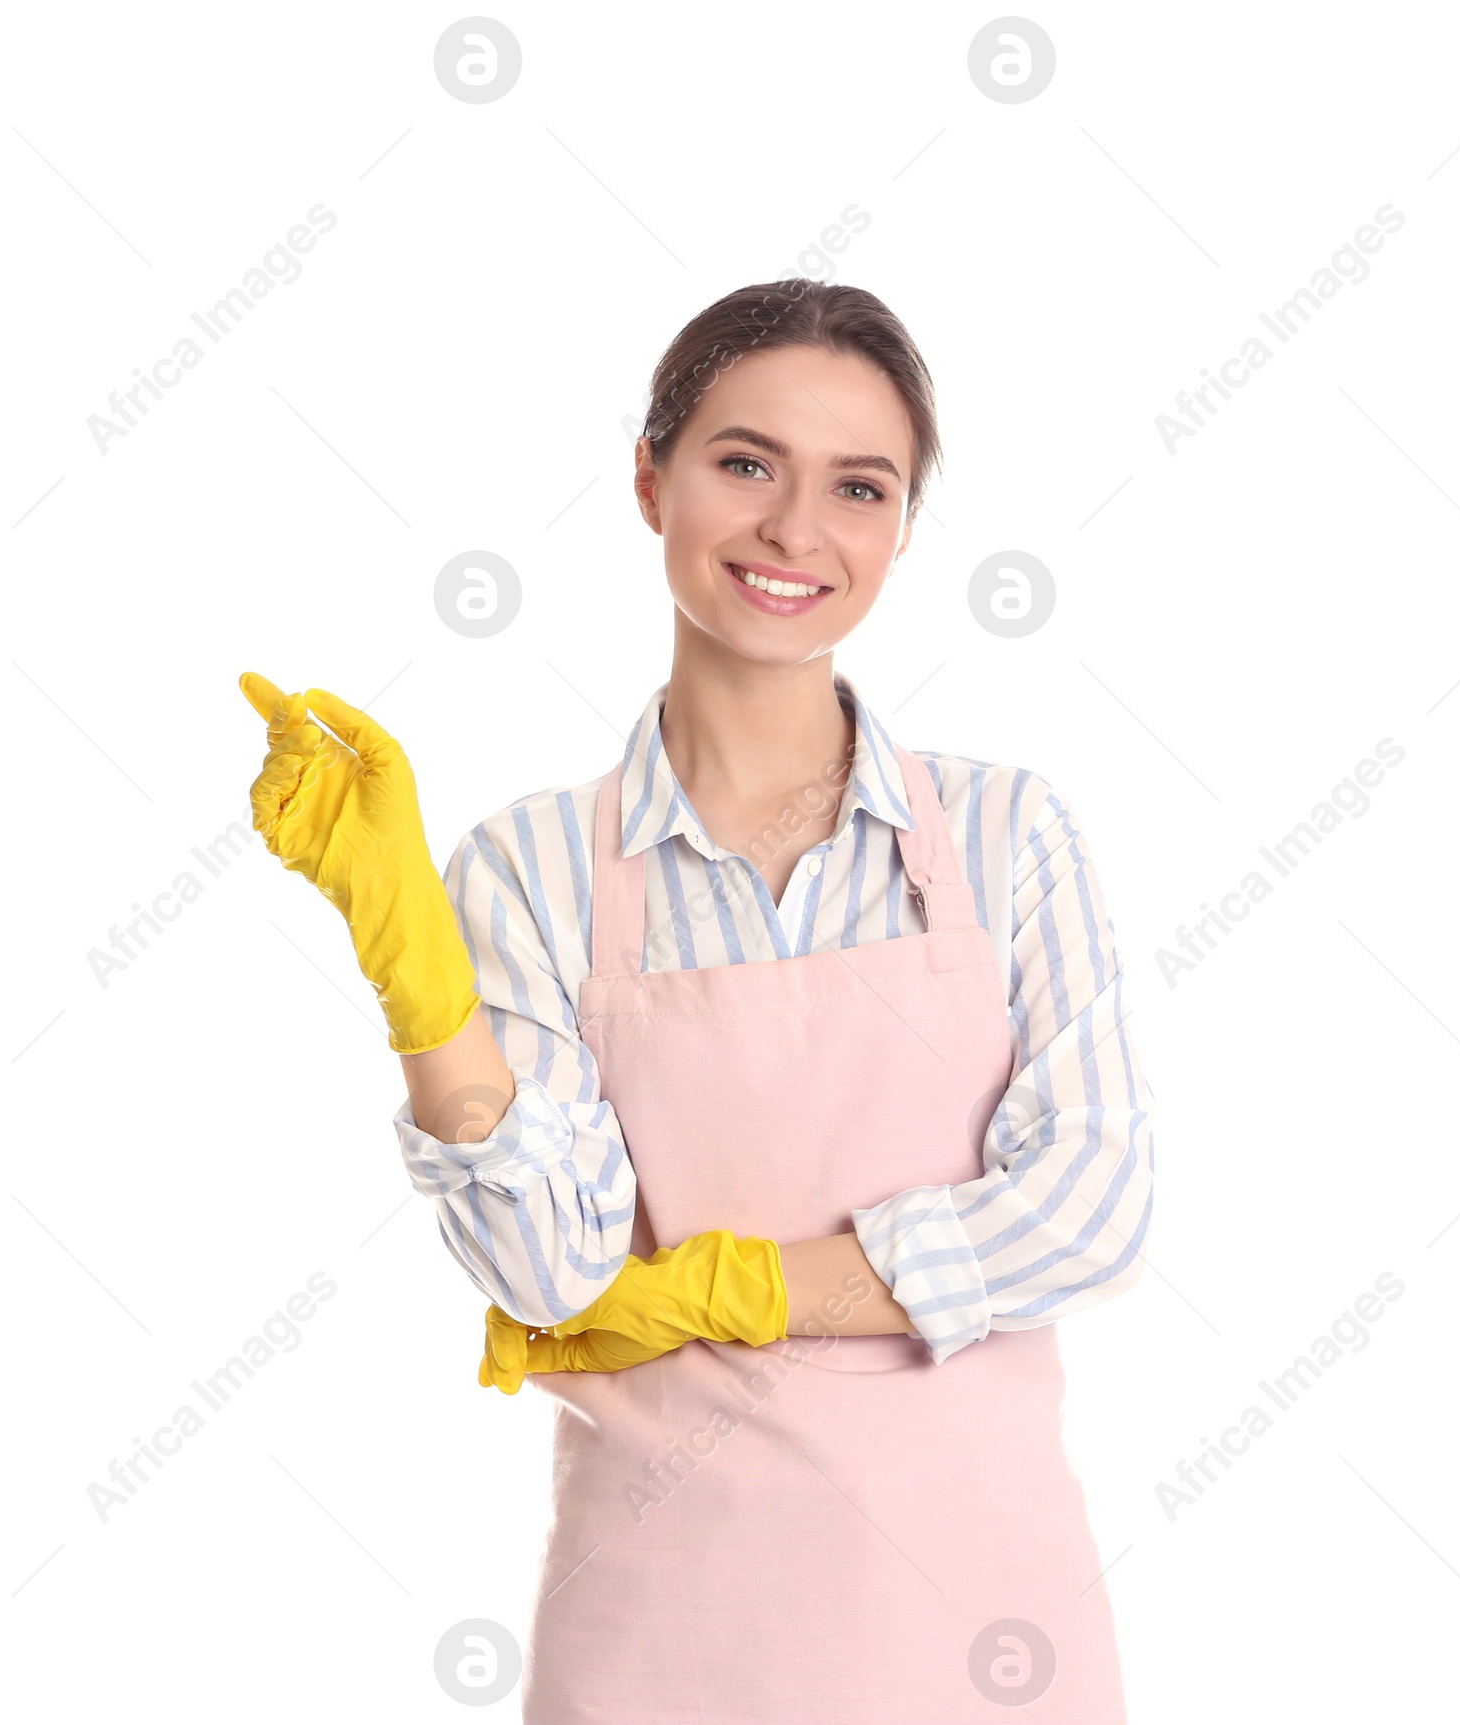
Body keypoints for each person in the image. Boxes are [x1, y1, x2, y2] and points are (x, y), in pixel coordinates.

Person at [240, 278, 1155, 1722]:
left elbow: (1095, 1203)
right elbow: (550, 1272)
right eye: (746, 463)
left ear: (902, 530)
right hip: (663, 1637)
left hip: (986, 1638)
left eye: (859, 487)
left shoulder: (1004, 836)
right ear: (650, 477)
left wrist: (755, 1286)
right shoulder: (532, 867)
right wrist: (416, 965)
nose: (798, 531)